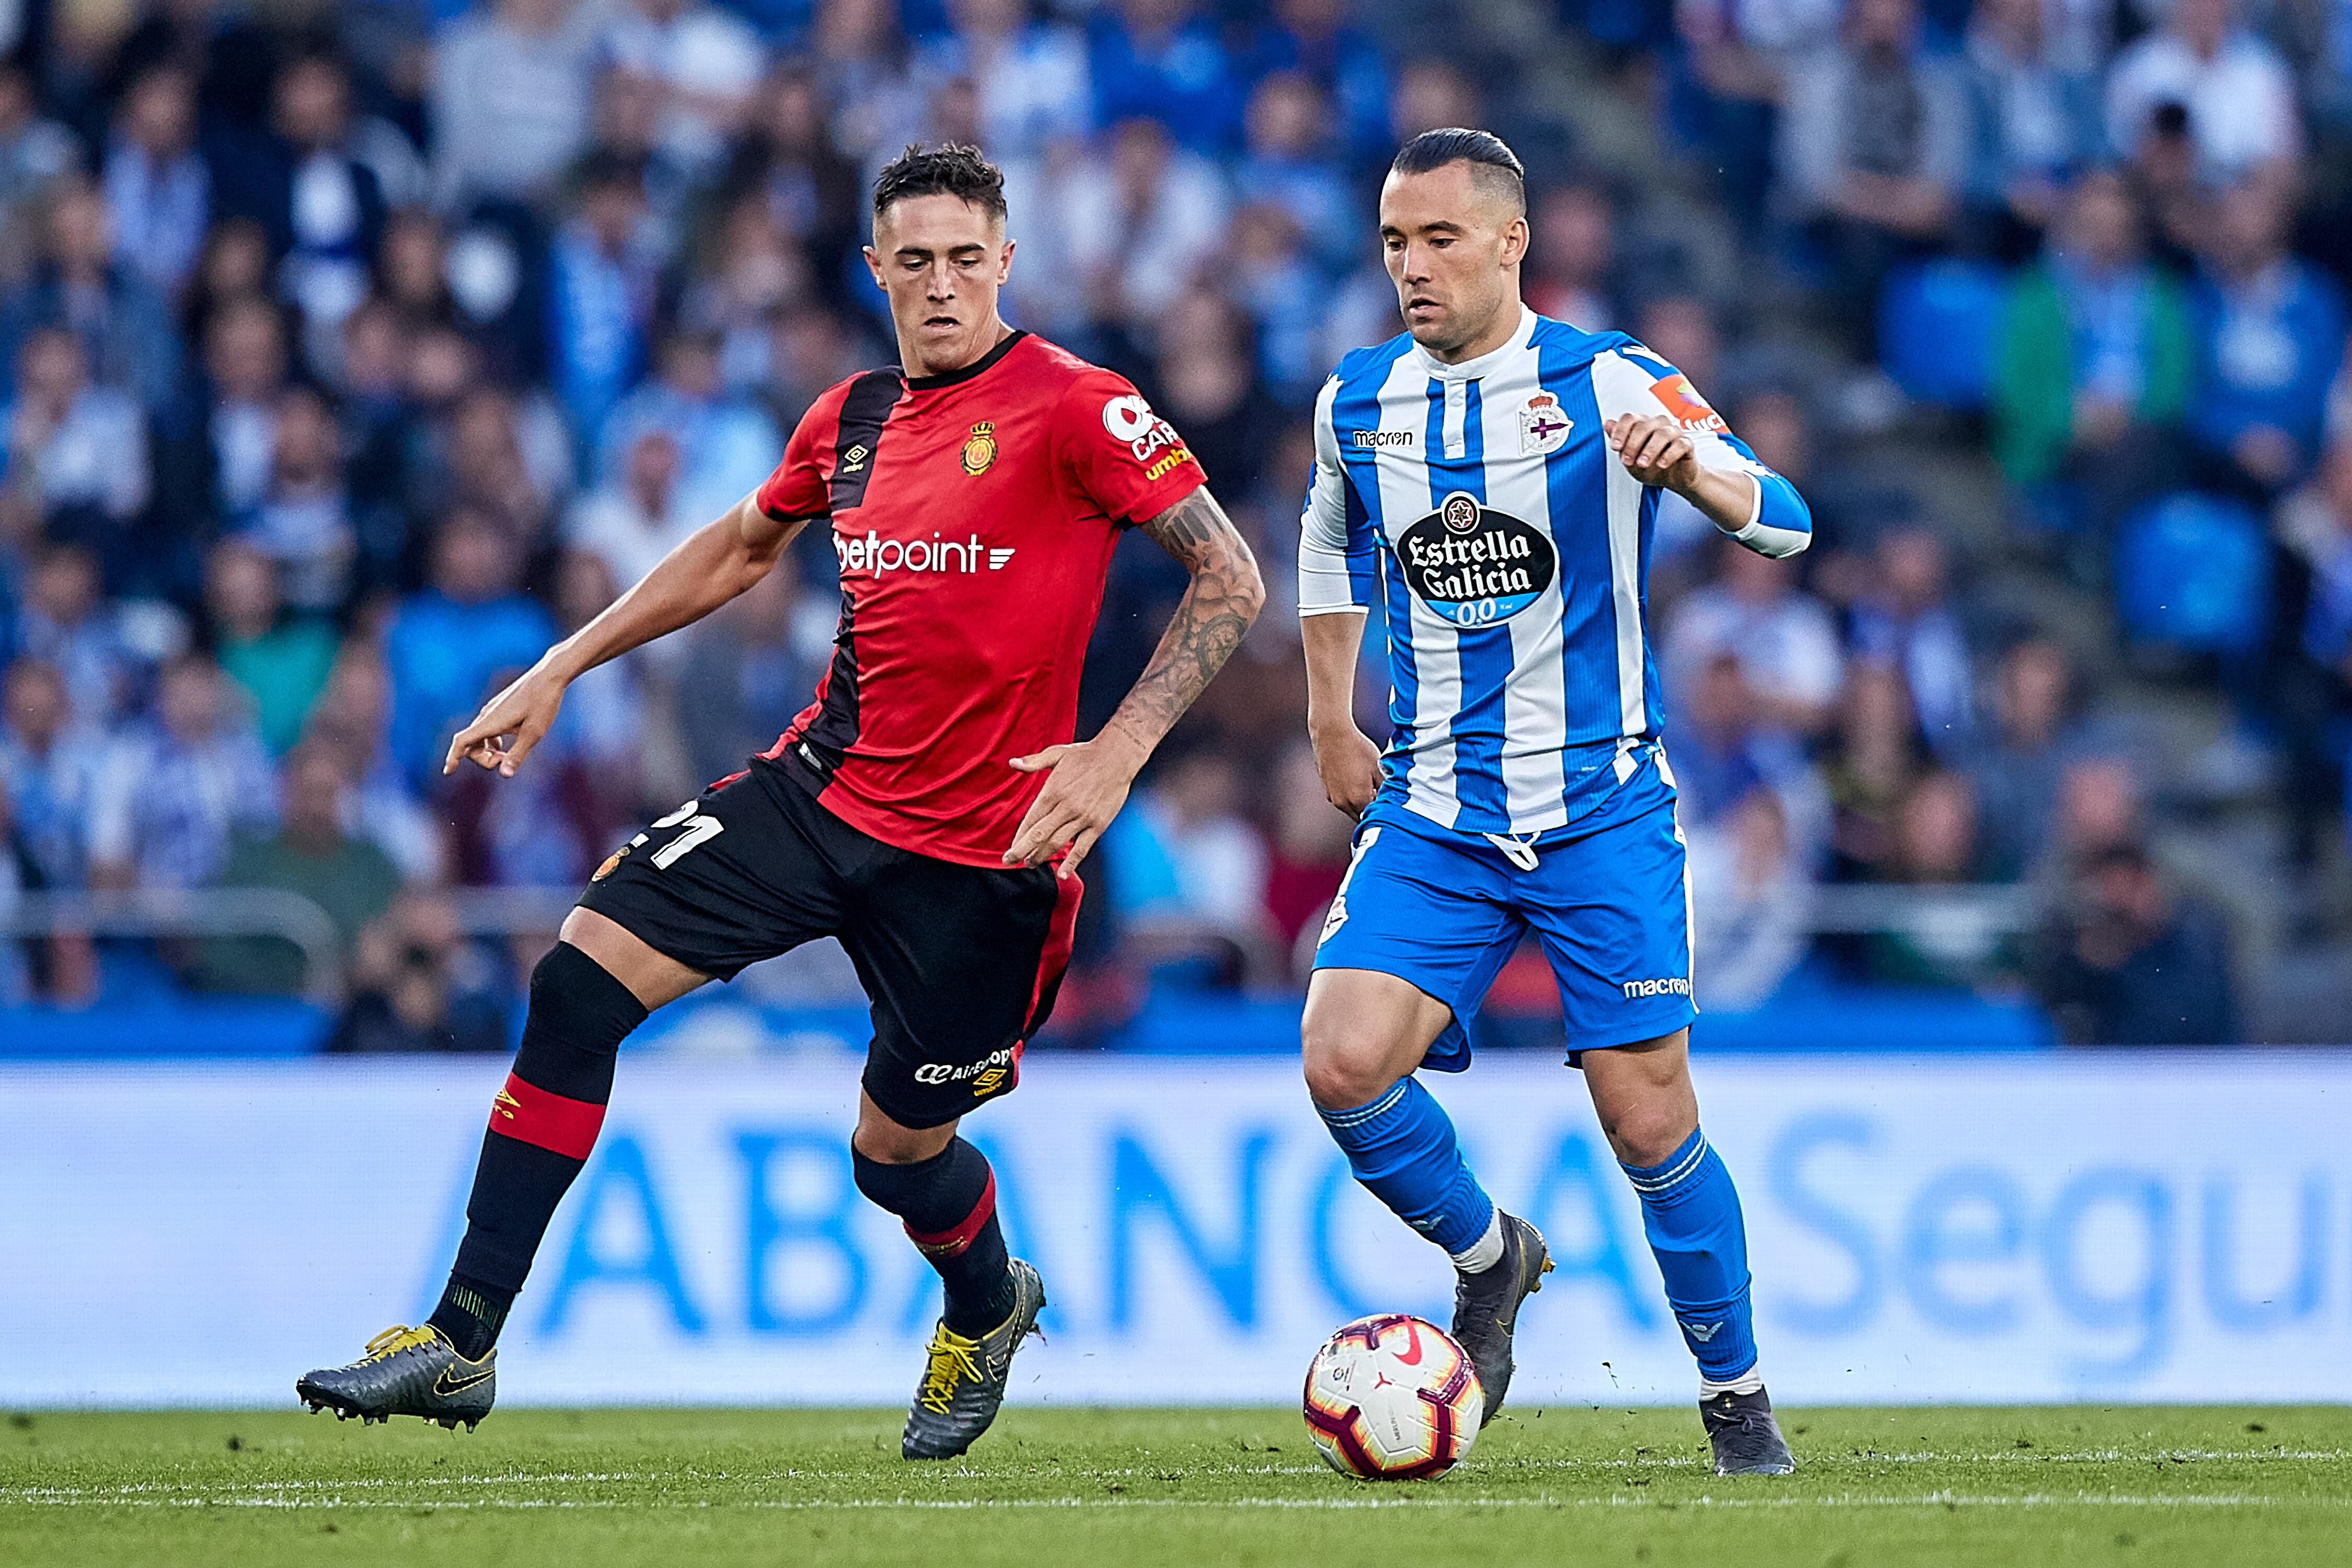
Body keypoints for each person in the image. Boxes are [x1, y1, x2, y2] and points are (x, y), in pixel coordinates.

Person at [297, 144, 1265, 1459]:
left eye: (965, 261)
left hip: (986, 855)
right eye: (912, 261)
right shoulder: (849, 417)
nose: (939, 286)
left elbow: (1232, 579)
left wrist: (1118, 750)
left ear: (1006, 264)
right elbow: (742, 547)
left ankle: (985, 1306)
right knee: (576, 986)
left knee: (895, 1157)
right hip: (820, 793)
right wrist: (561, 665)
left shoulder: (1080, 408)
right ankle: (464, 1339)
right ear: (875, 270)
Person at [1295, 129, 1807, 1477]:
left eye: (1441, 239)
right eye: (1396, 242)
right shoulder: (1358, 399)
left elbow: (1788, 519)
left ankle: (1735, 1396)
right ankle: (1492, 1254)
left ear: (1514, 242)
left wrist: (1688, 470)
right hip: (1436, 811)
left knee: (1647, 1119)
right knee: (1342, 1058)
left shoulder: (1608, 378)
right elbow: (1329, 534)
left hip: (1601, 808)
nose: (1412, 266)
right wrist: (1326, 712)